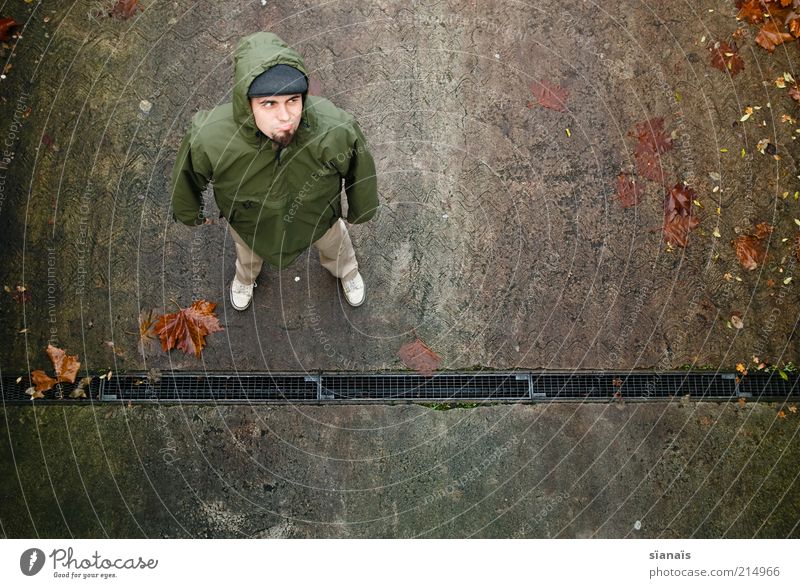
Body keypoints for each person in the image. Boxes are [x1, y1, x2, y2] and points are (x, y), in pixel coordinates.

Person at [170, 31, 378, 310]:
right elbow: (187, 178)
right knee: (248, 254)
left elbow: (359, 168)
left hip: (317, 216)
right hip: (250, 223)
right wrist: (189, 213)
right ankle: (246, 277)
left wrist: (360, 209)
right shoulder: (209, 138)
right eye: (269, 103)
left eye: (293, 100)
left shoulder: (334, 129)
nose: (285, 117)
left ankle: (347, 272)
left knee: (336, 246)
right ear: (247, 104)